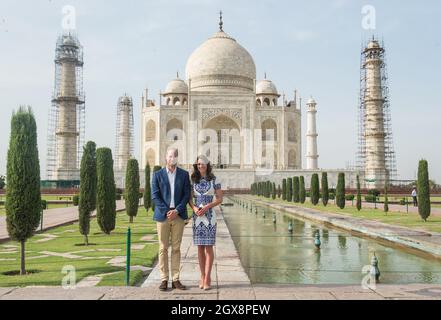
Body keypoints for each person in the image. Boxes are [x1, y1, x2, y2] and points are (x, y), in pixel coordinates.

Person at [151, 147, 190, 291]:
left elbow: (186, 195)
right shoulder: (157, 175)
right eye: (169, 156)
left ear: (177, 158)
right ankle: (164, 279)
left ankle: (175, 279)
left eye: (174, 156)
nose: (171, 158)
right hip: (163, 216)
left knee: (176, 248)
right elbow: (155, 196)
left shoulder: (184, 175)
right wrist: (168, 211)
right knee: (163, 248)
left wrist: (177, 210)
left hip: (178, 215)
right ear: (165, 158)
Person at [189, 155, 223, 290]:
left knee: (208, 247)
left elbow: (220, 198)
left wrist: (208, 206)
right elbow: (190, 199)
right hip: (197, 217)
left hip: (209, 217)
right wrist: (195, 207)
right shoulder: (193, 180)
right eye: (198, 164)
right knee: (199, 248)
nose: (200, 166)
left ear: (207, 165)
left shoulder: (214, 179)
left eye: (203, 164)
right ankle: (202, 276)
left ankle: (208, 277)